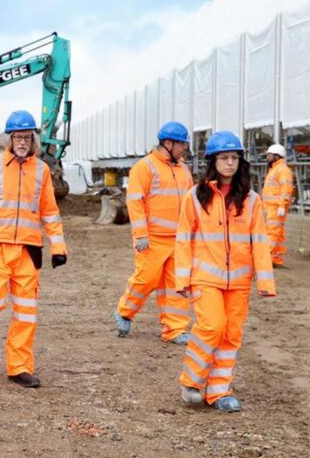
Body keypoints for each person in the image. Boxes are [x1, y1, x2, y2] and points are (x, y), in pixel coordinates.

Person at [0, 110, 67, 389]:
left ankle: (19, 367)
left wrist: (58, 247)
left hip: (28, 252)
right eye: (17, 136)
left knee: (26, 312)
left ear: (33, 140)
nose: (22, 141)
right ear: (9, 139)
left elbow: (50, 212)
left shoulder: (42, 171)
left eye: (26, 137)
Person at [174, 131, 275, 412]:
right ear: (213, 161)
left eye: (234, 157)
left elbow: (260, 242)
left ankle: (218, 392)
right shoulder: (195, 197)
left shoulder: (252, 200)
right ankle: (192, 382)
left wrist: (265, 282)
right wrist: (182, 279)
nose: (230, 163)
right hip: (205, 278)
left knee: (231, 335)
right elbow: (183, 239)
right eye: (224, 158)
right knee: (211, 326)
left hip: (239, 282)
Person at [112, 122, 195, 343]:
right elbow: (135, 201)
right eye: (181, 144)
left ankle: (175, 329)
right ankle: (124, 311)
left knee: (177, 285)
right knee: (146, 280)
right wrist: (141, 234)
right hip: (152, 239)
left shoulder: (183, 169)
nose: (184, 148)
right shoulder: (144, 167)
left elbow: (190, 203)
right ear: (168, 143)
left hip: (179, 239)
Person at [262, 143, 294, 266]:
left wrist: (282, 205)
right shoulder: (275, 169)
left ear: (277, 156)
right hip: (271, 207)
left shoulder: (282, 170)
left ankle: (267, 259)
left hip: (276, 207)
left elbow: (286, 189)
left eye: (269, 155)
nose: (267, 158)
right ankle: (274, 259)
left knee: (273, 233)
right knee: (276, 233)